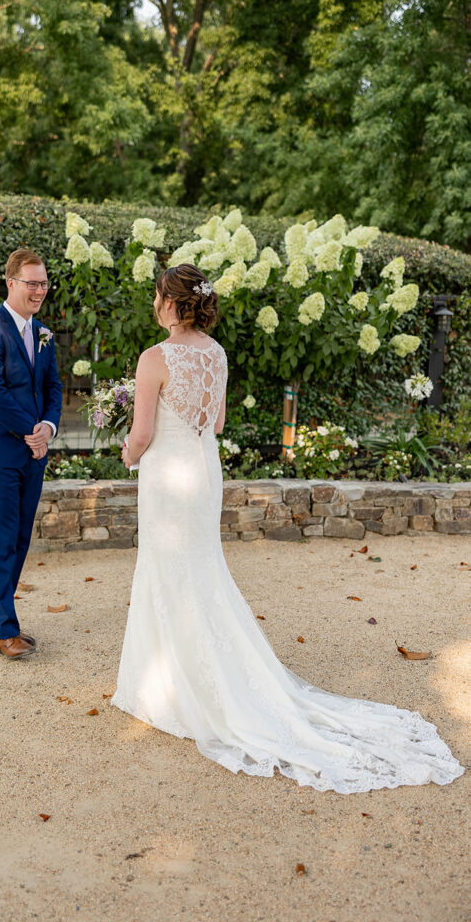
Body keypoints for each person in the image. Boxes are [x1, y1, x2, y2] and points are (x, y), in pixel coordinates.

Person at [112, 263, 464, 793]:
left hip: (168, 474)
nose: (156, 303)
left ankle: (170, 688)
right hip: (203, 470)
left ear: (171, 302)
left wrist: (127, 453)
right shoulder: (216, 353)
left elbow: (141, 434)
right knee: (201, 569)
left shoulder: (153, 359)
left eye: (159, 295)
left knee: (169, 569)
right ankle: (195, 675)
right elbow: (220, 421)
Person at [0, 249, 62, 660]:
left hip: (31, 454)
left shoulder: (43, 334)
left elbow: (54, 388)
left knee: (20, 539)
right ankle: (5, 630)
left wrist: (48, 427)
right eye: (32, 283)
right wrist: (31, 431)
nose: (39, 290)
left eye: (43, 283)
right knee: (1, 540)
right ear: (11, 283)